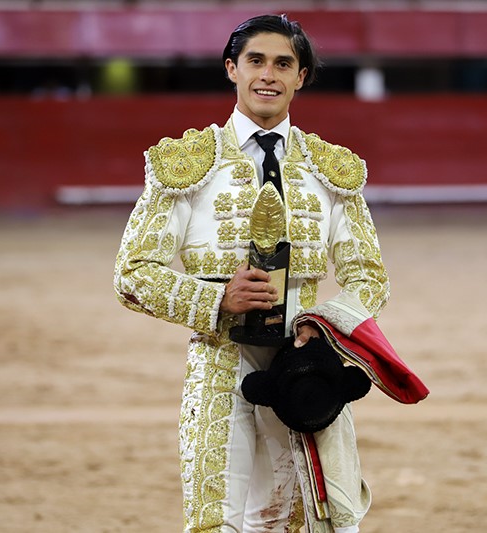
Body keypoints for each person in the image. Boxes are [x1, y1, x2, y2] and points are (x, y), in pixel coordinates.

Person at [114, 14, 389, 532]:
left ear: (300, 76)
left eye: (283, 63)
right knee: (219, 522)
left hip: (307, 369)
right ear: (232, 69)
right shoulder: (188, 165)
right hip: (221, 365)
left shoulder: (330, 171)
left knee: (309, 520)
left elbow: (370, 275)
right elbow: (132, 273)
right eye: (255, 61)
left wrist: (324, 325)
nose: (269, 74)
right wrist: (216, 299)